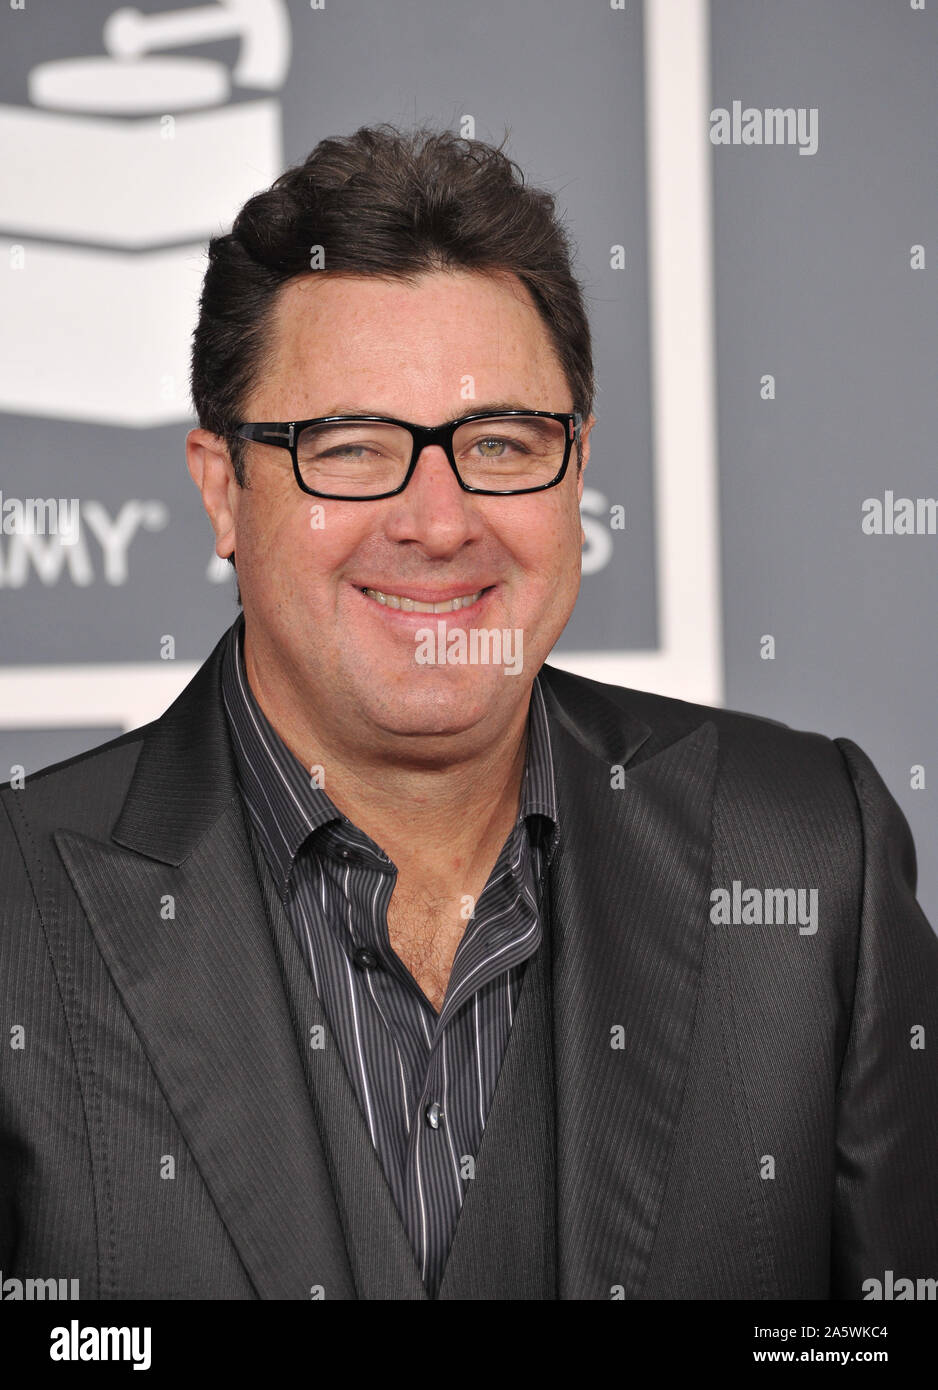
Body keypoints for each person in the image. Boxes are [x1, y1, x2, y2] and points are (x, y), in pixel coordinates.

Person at [1, 124, 936, 1301]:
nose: (439, 521)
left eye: (498, 442)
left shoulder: (805, 860)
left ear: (577, 466)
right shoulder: (17, 914)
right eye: (350, 447)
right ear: (221, 486)